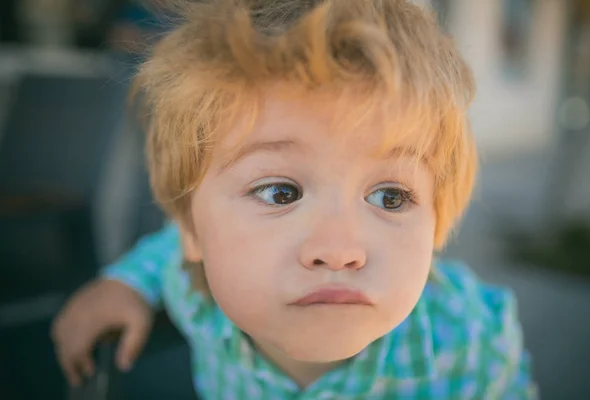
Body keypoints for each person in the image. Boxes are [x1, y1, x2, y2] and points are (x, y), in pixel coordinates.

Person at [52, 0, 538, 398]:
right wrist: (123, 284)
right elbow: (166, 251)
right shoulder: (192, 291)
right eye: (280, 192)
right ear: (193, 233)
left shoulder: (474, 343)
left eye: (391, 197)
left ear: (435, 225)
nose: (340, 248)